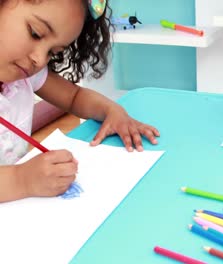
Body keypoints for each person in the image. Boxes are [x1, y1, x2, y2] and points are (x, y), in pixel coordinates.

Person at [0, 0, 160, 202]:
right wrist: (21, 180)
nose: (40, 59)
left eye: (53, 52)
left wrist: (112, 111)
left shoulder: (25, 76)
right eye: (36, 33)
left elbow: (73, 97)